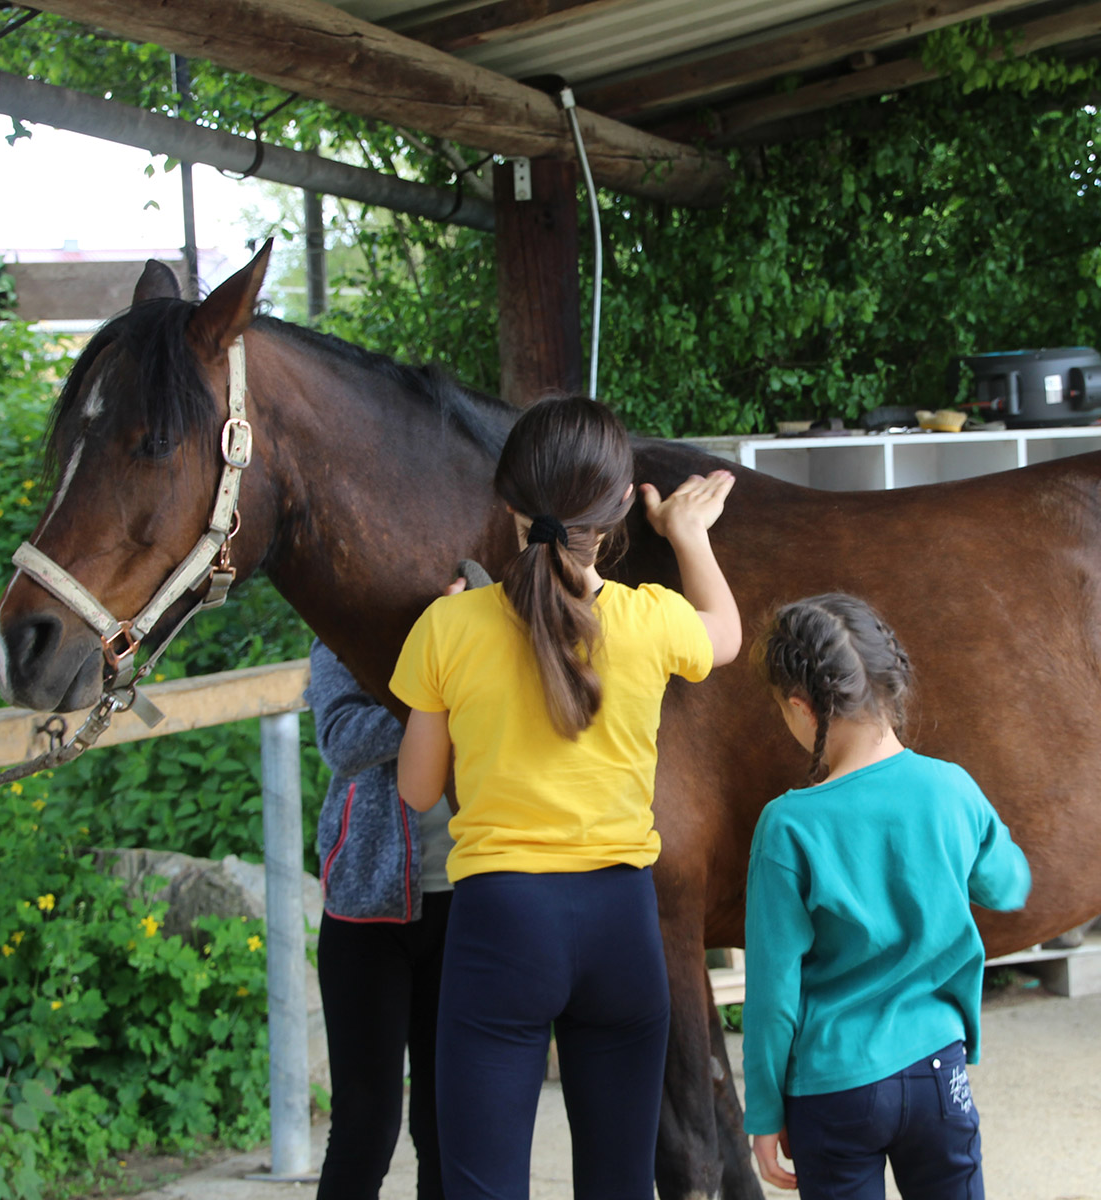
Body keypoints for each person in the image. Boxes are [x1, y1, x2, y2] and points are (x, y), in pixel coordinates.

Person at [388, 395, 742, 1200]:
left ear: (507, 504)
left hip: (500, 927)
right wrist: (688, 536)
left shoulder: (448, 629)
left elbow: (415, 791)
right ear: (620, 506)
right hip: (623, 927)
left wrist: (441, 659)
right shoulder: (652, 621)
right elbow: (726, 633)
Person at [743, 593, 1032, 1199]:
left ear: (801, 707)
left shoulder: (788, 824)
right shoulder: (952, 789)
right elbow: (1008, 885)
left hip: (833, 1086)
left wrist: (765, 1115)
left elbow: (773, 993)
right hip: (937, 1072)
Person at [305, 639, 454, 1200]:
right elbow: (341, 740)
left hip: (470, 903)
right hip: (366, 908)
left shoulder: (489, 622)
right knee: (366, 1127)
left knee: (447, 1126)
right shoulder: (342, 632)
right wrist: (441, 701)